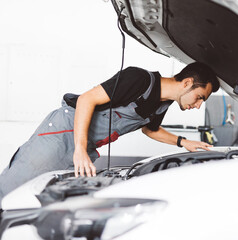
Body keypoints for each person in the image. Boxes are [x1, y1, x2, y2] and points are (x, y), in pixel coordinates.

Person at [0, 62, 220, 206]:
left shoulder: (162, 104)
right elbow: (87, 99)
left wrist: (183, 142)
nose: (198, 105)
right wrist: (79, 149)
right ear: (188, 83)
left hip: (83, 145)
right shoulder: (139, 79)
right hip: (64, 132)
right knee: (12, 190)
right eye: (200, 97)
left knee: (45, 200)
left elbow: (150, 130)